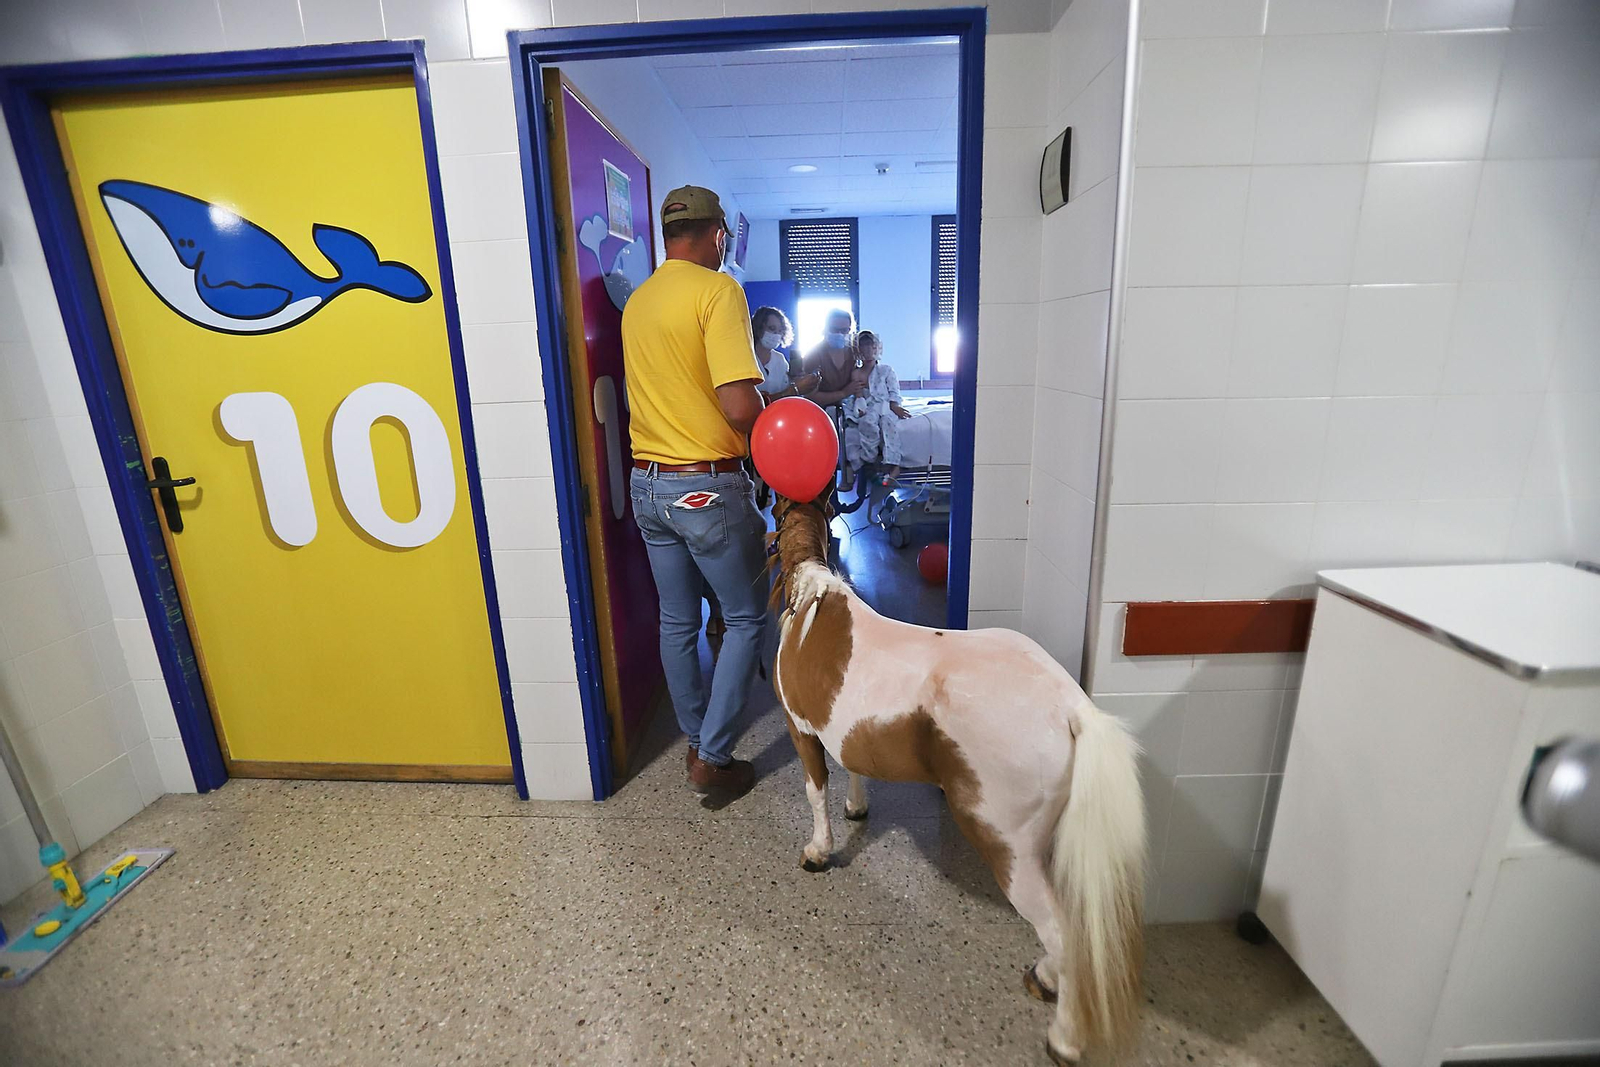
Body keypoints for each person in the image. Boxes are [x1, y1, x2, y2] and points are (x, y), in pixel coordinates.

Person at [621, 185, 766, 797]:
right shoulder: (719, 290)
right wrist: (773, 414)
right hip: (704, 487)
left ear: (666, 235)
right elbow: (738, 405)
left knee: (677, 619)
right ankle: (713, 758)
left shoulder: (639, 301)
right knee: (746, 617)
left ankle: (693, 738)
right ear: (719, 237)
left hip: (647, 486)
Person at [840, 330, 912, 484]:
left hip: (885, 406)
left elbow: (894, 389)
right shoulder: (856, 373)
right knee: (867, 423)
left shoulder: (886, 370)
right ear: (858, 349)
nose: (867, 349)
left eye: (870, 345)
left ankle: (893, 463)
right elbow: (857, 395)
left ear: (876, 347)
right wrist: (859, 407)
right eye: (863, 346)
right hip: (869, 407)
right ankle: (867, 460)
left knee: (888, 424)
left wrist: (895, 405)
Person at [797, 308, 867, 410]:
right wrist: (843, 393)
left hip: (847, 408)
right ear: (825, 329)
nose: (839, 334)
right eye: (834, 330)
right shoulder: (814, 355)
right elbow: (811, 396)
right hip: (820, 411)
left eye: (844, 331)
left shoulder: (853, 352)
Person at [751, 306, 819, 403]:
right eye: (772, 328)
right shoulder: (746, 357)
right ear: (758, 328)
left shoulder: (779, 359)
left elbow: (786, 390)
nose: (776, 334)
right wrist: (794, 389)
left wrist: (797, 380)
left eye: (780, 331)